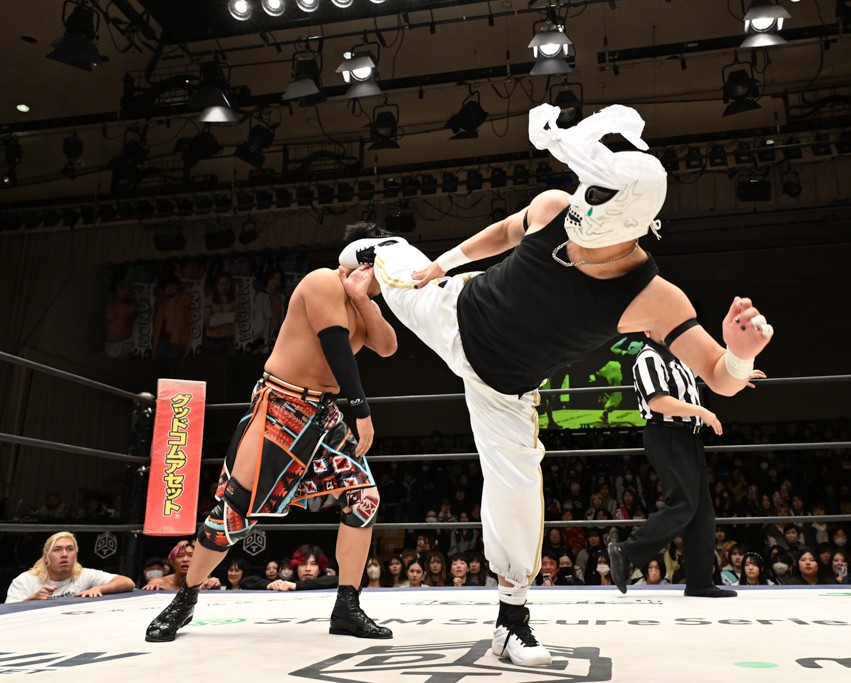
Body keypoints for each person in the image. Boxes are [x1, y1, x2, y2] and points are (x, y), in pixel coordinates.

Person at [340, 103, 773, 667]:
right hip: (454, 310)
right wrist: (443, 263)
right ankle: (362, 248)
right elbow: (505, 230)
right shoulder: (553, 208)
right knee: (388, 258)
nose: (577, 225)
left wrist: (740, 354)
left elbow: (719, 378)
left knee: (518, 491)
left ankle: (511, 622)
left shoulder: (654, 297)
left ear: (629, 227)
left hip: (504, 390)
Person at [144, 257, 397, 643]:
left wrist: (363, 300)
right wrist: (362, 411)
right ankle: (185, 598)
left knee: (364, 499)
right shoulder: (322, 282)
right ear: (363, 265)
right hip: (282, 405)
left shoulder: (365, 304)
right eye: (386, 269)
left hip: (324, 415)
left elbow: (388, 347)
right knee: (235, 510)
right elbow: (336, 347)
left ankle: (347, 606)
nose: (393, 278)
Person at [607, 330, 765, 599]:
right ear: (648, 330)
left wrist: (737, 377)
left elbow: (712, 375)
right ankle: (627, 550)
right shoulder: (648, 357)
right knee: (682, 503)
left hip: (689, 437)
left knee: (702, 512)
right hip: (665, 434)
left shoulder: (681, 356)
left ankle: (700, 583)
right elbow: (658, 401)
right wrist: (701, 411)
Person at [5, 531, 134, 603]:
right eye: (57, 550)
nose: (64, 554)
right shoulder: (25, 580)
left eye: (69, 549)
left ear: (75, 555)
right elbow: (7, 612)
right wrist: (31, 600)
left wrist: (98, 588)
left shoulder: (84, 575)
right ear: (45, 557)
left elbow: (127, 582)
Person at [143, 540, 221, 591]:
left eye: (191, 555)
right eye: (180, 556)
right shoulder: (159, 582)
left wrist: (214, 586)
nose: (185, 559)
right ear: (172, 561)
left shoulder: (206, 583)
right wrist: (151, 589)